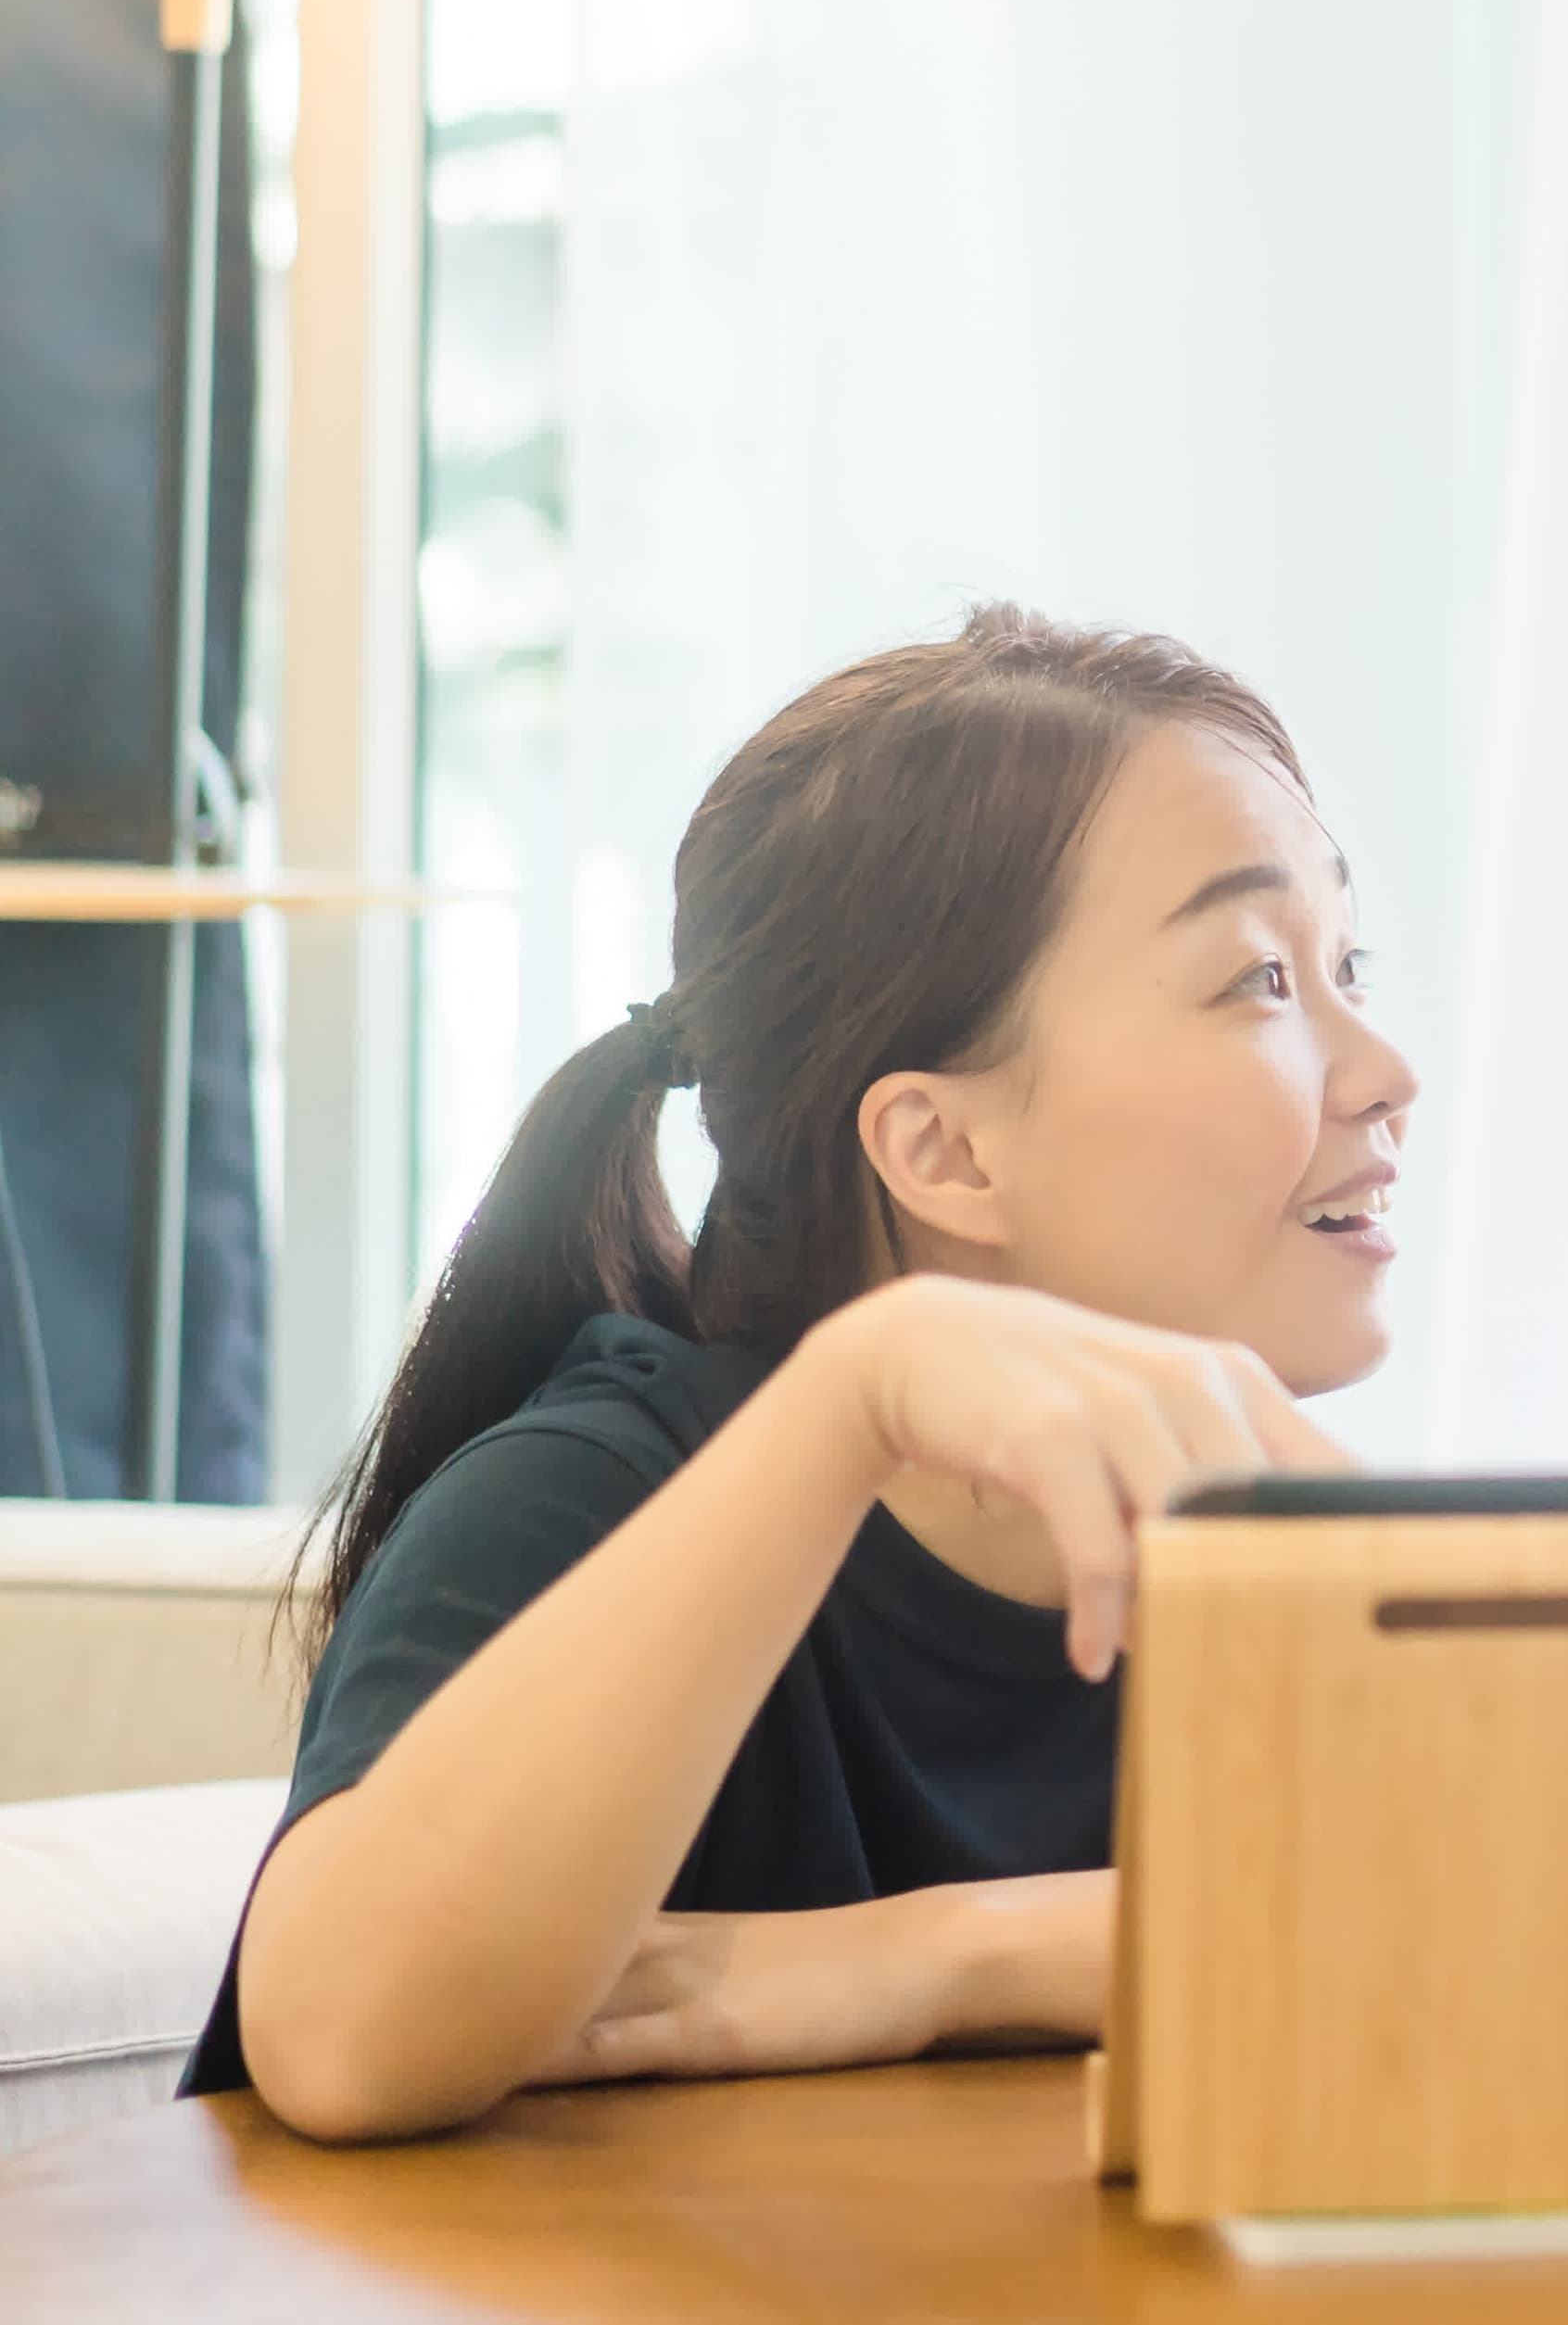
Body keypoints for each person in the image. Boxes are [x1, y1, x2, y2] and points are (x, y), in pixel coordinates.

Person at [189, 604, 1410, 2142]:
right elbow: (342, 2035)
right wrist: (860, 1392)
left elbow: (1554, 1933)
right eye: (1259, 981)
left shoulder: (1269, 1534)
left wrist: (940, 1956)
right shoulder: (590, 1489)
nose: (1386, 1073)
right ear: (943, 1147)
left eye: (1349, 960)